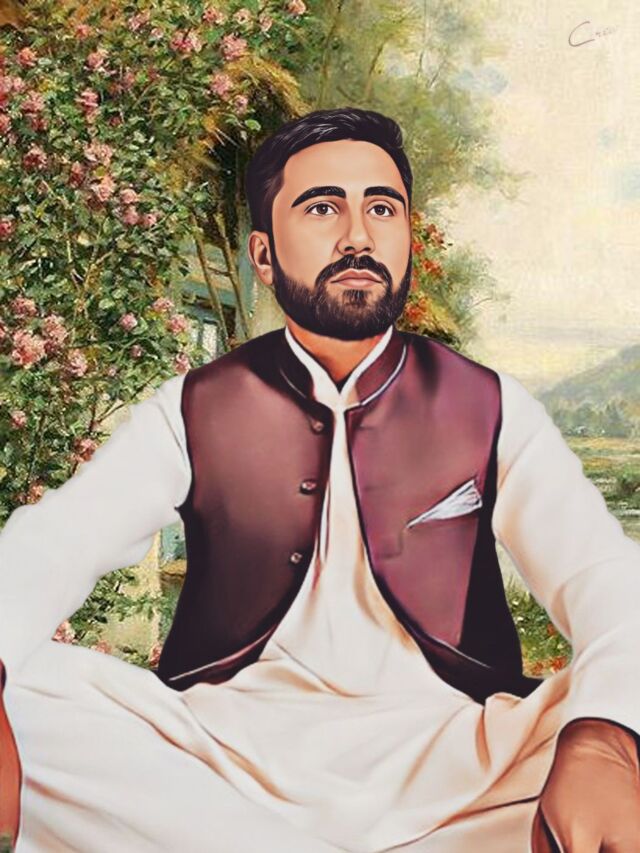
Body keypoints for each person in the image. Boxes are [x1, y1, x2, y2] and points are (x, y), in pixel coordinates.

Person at [1, 107, 640, 853]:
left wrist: (605, 739)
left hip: (461, 768)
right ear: (264, 255)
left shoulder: (490, 404)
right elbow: (53, 544)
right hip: (219, 764)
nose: (358, 236)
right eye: (323, 208)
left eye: (382, 209)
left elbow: (604, 576)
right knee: (28, 684)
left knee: (616, 711)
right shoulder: (195, 406)